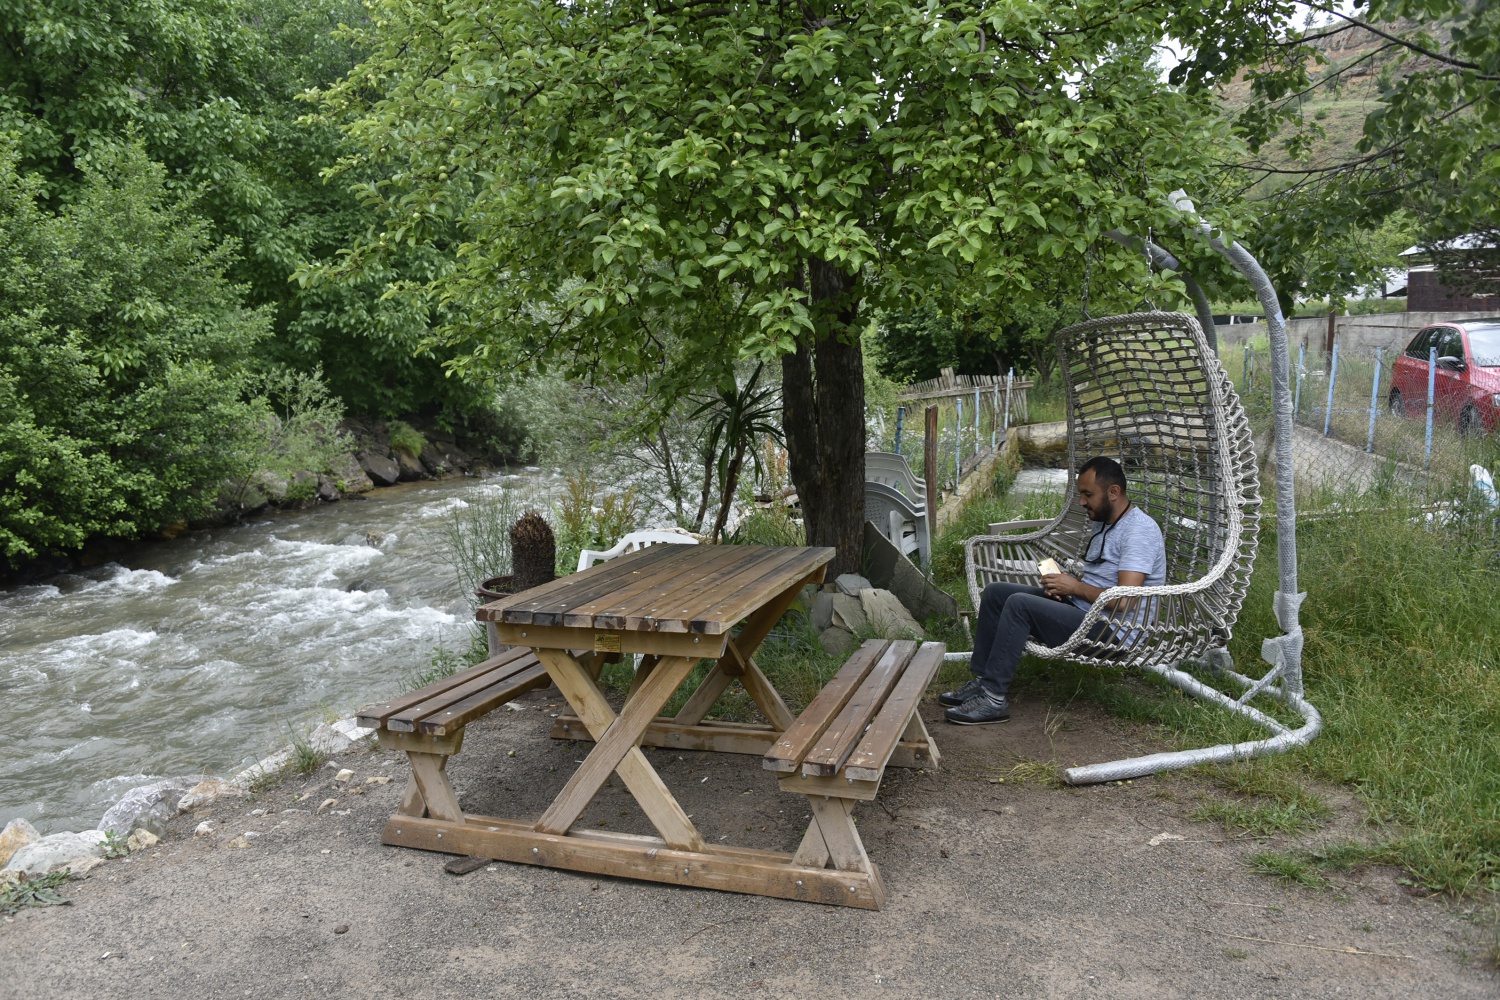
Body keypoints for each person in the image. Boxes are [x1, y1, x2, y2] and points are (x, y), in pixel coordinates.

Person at [942, 456, 1166, 725]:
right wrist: (1065, 588)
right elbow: (1099, 580)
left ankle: (993, 698)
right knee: (996, 593)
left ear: (1114, 492)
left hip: (1115, 635)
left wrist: (1077, 587)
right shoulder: (1106, 522)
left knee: (1019, 605)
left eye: (1087, 494)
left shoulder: (1139, 531)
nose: (1082, 502)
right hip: (1086, 614)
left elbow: (1124, 601)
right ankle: (982, 681)